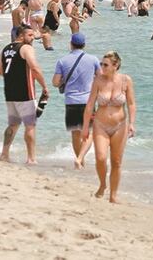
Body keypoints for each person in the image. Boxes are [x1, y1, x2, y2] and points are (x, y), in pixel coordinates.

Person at [75, 50, 136, 203]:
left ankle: (113, 195)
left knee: (116, 161)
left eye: (105, 64)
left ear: (116, 65)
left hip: (120, 126)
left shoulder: (125, 80)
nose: (101, 66)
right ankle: (103, 184)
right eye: (101, 64)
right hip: (100, 125)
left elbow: (131, 104)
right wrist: (84, 128)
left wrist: (132, 124)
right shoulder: (98, 80)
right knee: (101, 158)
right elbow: (89, 105)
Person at [0, 26, 49, 164]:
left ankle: (4, 155)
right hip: (25, 92)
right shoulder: (26, 48)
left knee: (13, 125)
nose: (33, 38)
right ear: (21, 35)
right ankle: (31, 158)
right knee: (30, 125)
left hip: (10, 92)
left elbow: (0, 71)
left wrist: (14, 75)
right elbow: (35, 68)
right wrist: (44, 86)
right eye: (30, 35)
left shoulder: (5, 49)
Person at [52, 32, 101, 159]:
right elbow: (101, 78)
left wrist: (64, 80)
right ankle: (80, 158)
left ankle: (80, 160)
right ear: (84, 45)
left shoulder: (62, 61)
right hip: (88, 102)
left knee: (75, 134)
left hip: (71, 102)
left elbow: (55, 83)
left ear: (71, 44)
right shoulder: (93, 59)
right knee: (89, 133)